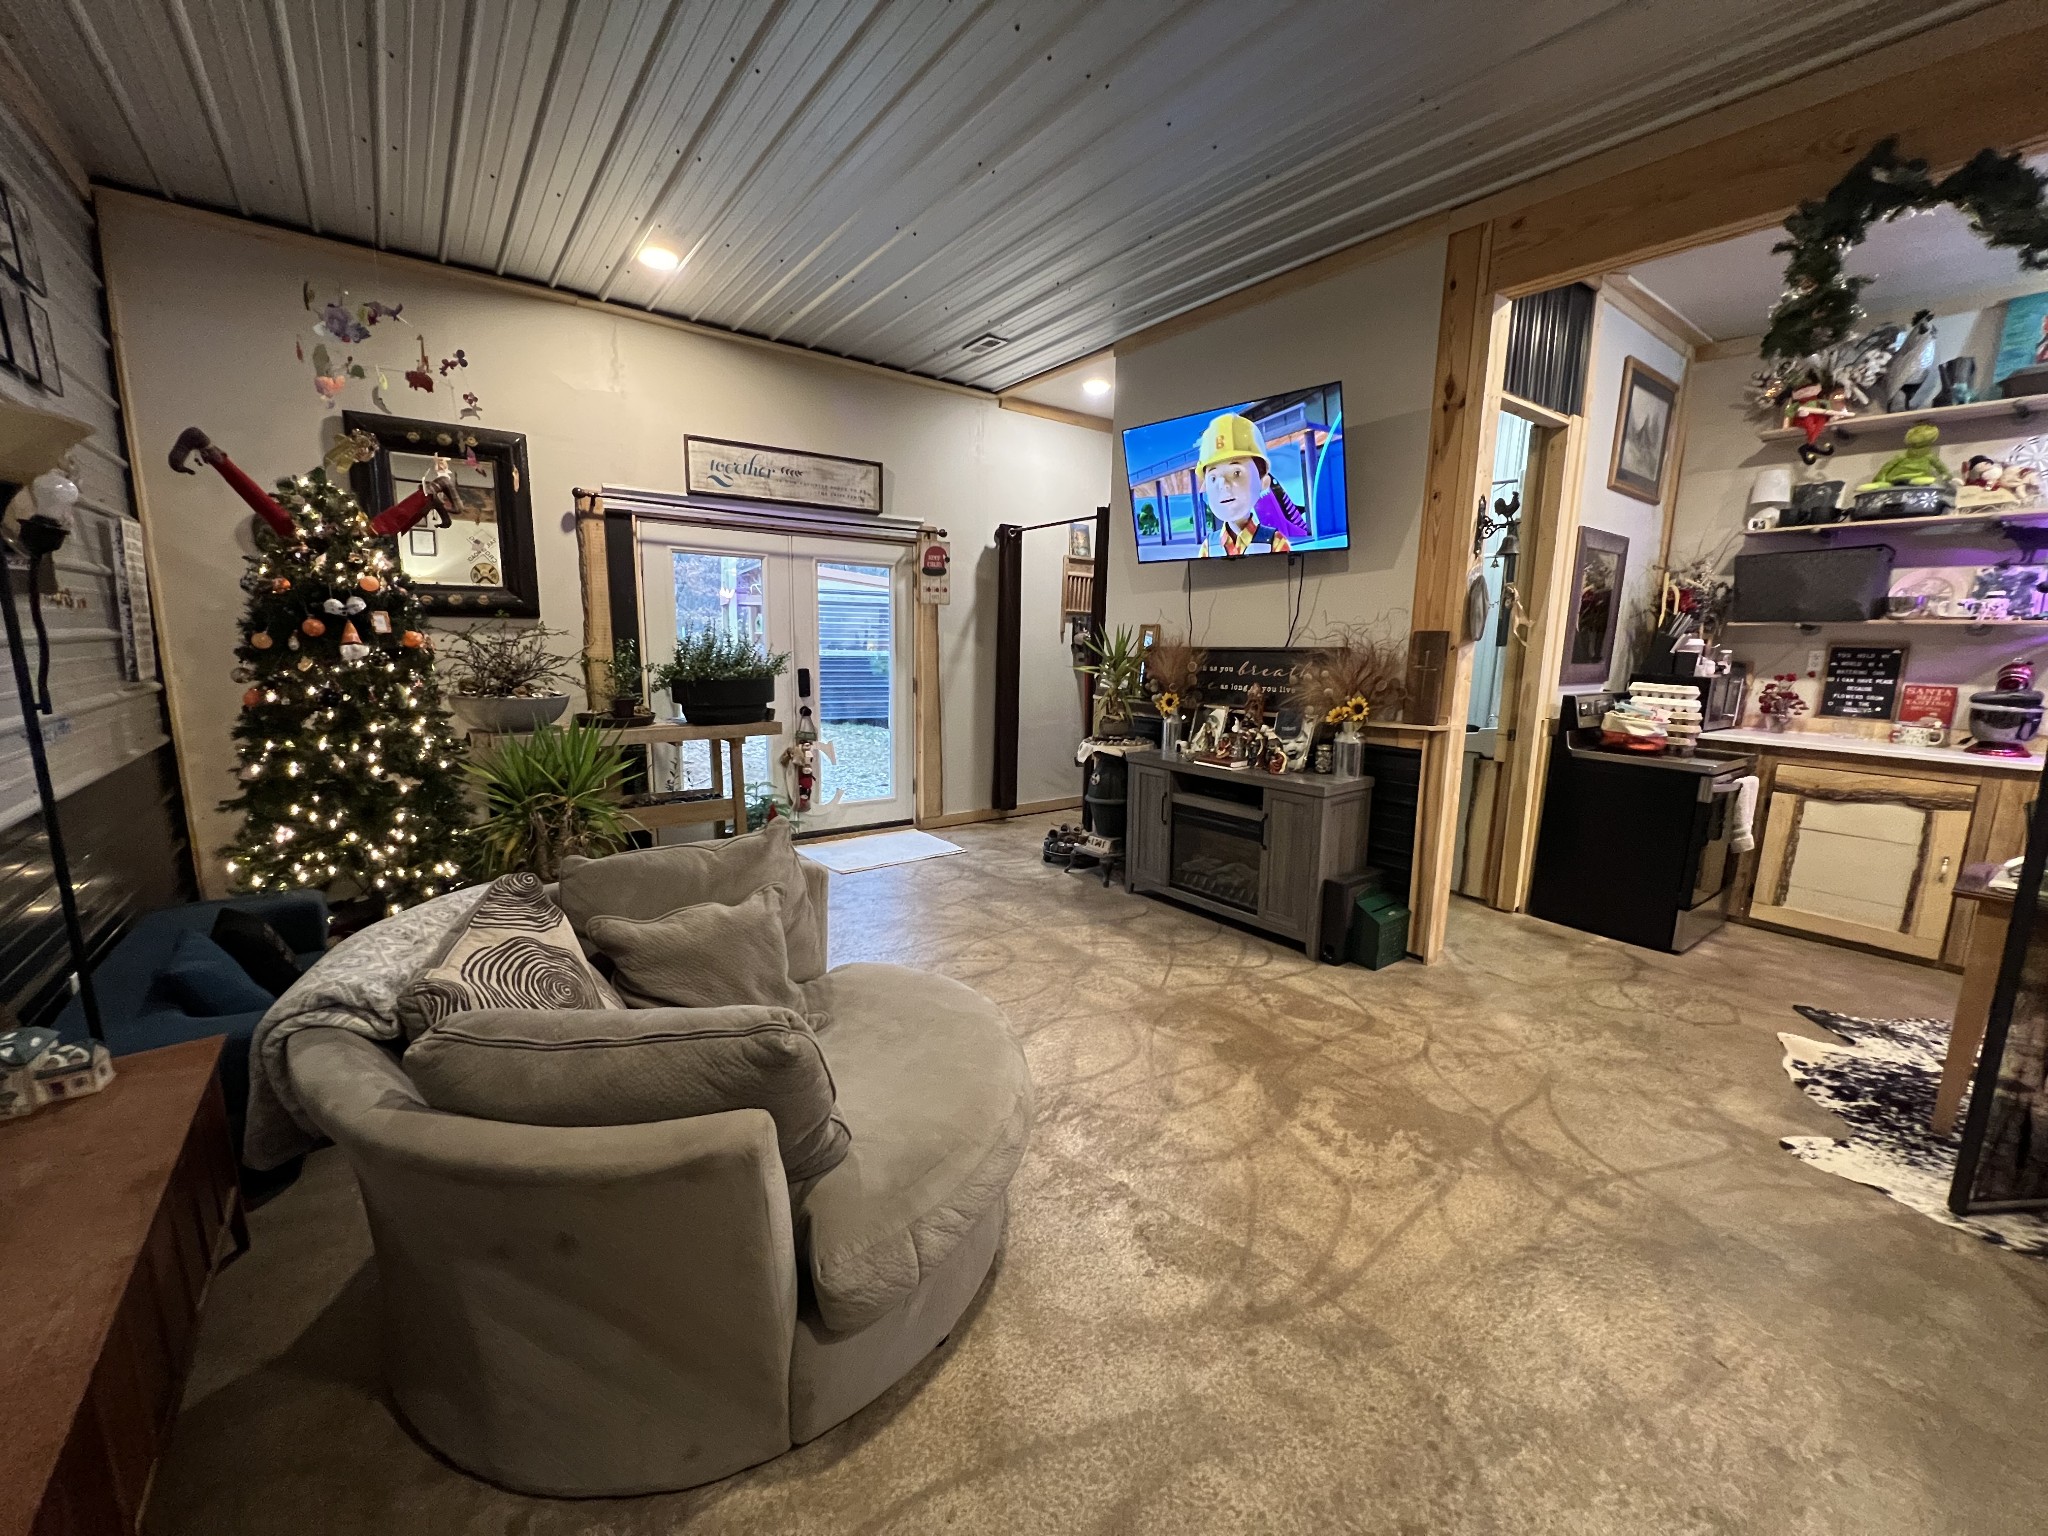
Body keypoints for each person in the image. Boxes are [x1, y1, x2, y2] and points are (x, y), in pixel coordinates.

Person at [1194, 412, 1308, 557]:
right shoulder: (1208, 546)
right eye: (1213, 478)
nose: (1223, 485)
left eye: (1236, 473)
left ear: (1263, 482)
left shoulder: (1275, 542)